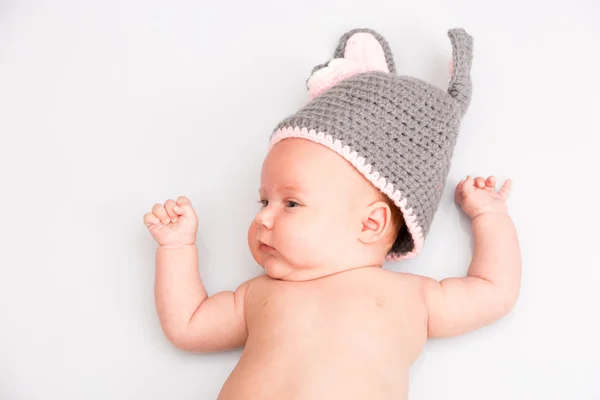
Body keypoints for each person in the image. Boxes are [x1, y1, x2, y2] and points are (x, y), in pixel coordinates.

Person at [143, 27, 521, 400]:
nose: (263, 219)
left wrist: (489, 216)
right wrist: (176, 248)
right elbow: (188, 326)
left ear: (371, 223)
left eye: (290, 203)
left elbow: (493, 291)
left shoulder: (414, 297)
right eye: (264, 202)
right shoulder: (257, 296)